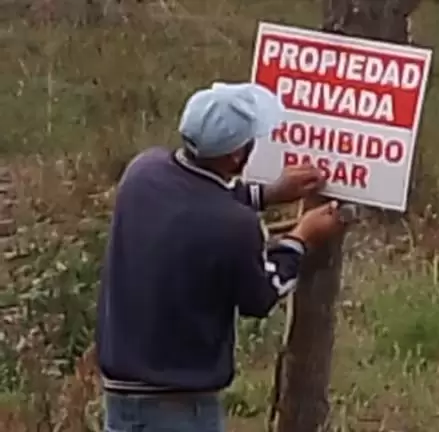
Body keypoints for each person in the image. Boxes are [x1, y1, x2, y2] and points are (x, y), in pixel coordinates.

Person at [96, 81, 346, 432]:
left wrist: (268, 193)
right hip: (180, 406)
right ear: (236, 156)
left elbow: (196, 202)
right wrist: (302, 238)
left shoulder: (142, 172)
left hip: (120, 397)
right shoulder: (235, 226)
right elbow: (260, 296)